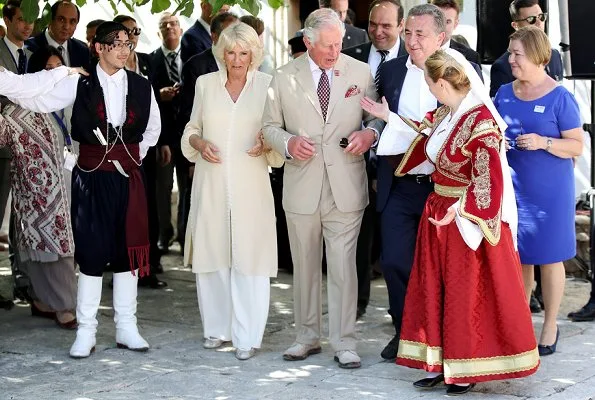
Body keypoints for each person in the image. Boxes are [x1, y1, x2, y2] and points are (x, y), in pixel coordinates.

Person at [362, 48, 539, 395]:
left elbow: (488, 181)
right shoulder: (447, 112)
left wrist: (460, 211)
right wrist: (389, 117)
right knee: (436, 292)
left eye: (430, 84)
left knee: (463, 296)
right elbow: (426, 141)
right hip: (438, 215)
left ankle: (465, 368)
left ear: (442, 83)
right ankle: (440, 363)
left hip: (464, 221)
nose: (429, 90)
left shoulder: (481, 122)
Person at [6, 21, 161, 358]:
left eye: (127, 43)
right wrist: (47, 77)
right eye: (115, 43)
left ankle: (127, 327)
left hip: (128, 178)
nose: (123, 49)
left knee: (127, 253)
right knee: (91, 254)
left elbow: (151, 131)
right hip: (90, 179)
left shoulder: (142, 85)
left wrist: (125, 157)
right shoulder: (79, 83)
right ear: (98, 48)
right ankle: (87, 331)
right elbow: (31, 96)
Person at [263, 8, 383, 369]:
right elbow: (269, 126)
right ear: (308, 42)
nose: (335, 51)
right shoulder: (283, 77)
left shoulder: (359, 72)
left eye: (339, 43)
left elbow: (376, 114)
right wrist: (287, 143)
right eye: (328, 45)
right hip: (301, 183)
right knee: (304, 265)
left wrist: (370, 133)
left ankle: (345, 341)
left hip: (346, 182)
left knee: (344, 266)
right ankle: (306, 336)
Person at [181, 22, 282, 361]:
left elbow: (278, 137)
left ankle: (247, 336)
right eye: (231, 52)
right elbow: (191, 128)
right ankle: (216, 329)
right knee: (212, 257)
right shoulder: (205, 84)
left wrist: (267, 142)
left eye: (244, 53)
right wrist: (198, 141)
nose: (237, 60)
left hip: (251, 186)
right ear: (220, 52)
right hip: (210, 183)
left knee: (249, 259)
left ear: (254, 53)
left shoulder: (268, 86)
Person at [494, 26, 583, 355]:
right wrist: (496, 139)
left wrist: (544, 142)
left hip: (550, 195)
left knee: (549, 259)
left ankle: (549, 325)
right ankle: (520, 324)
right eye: (510, 53)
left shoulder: (561, 97)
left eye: (516, 54)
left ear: (536, 57)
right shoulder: (503, 93)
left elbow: (577, 146)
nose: (510, 59)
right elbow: (488, 127)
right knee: (519, 259)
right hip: (514, 192)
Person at [373, 3, 445, 361]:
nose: (412, 40)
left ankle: (443, 336)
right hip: (398, 184)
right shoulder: (387, 72)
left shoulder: (459, 70)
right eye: (409, 33)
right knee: (395, 261)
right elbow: (379, 121)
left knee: (441, 268)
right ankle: (403, 331)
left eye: (421, 34)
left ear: (440, 37)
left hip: (442, 188)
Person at [0, 46, 77, 329]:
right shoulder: (16, 108)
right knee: (48, 250)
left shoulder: (66, 103)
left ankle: (46, 302)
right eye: (49, 69)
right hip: (36, 194)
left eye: (60, 69)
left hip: (68, 187)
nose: (55, 75)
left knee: (63, 248)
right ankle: (62, 306)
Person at [342, 0, 406, 319]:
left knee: (394, 246)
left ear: (401, 26)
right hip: (355, 159)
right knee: (357, 236)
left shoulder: (412, 62)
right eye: (373, 25)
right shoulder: (351, 56)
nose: (378, 32)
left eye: (386, 26)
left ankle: (401, 314)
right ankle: (356, 303)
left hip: (398, 165)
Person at [177, 12, 238, 253]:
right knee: (197, 202)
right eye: (228, 33)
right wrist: (192, 153)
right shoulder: (197, 66)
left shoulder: (243, 64)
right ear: (214, 36)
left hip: (235, 154)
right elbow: (188, 114)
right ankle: (191, 247)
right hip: (203, 150)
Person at [0, 0, 34, 303]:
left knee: (23, 219)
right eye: (22, 19)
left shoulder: (34, 56)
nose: (27, 26)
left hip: (30, 152)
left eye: (31, 21)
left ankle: (23, 281)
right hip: (1, 149)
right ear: (7, 19)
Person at [151, 12, 182, 253]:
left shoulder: (191, 59)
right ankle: (164, 234)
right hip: (163, 137)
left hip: (189, 135)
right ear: (158, 32)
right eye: (165, 25)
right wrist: (159, 95)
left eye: (174, 24)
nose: (170, 28)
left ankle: (184, 234)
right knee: (162, 188)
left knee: (190, 187)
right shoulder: (150, 60)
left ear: (180, 30)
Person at [489, 0, 562, 98]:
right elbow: (498, 108)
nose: (538, 23)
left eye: (541, 17)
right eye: (531, 19)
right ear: (515, 25)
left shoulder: (555, 55)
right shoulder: (503, 67)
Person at [25, 0, 90, 70]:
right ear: (50, 20)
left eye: (72, 21)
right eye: (61, 19)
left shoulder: (82, 50)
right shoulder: (28, 48)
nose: (66, 26)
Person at [430, 0, 480, 64]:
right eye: (438, 20)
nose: (442, 26)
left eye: (447, 22)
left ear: (455, 24)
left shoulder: (471, 57)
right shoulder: (416, 51)